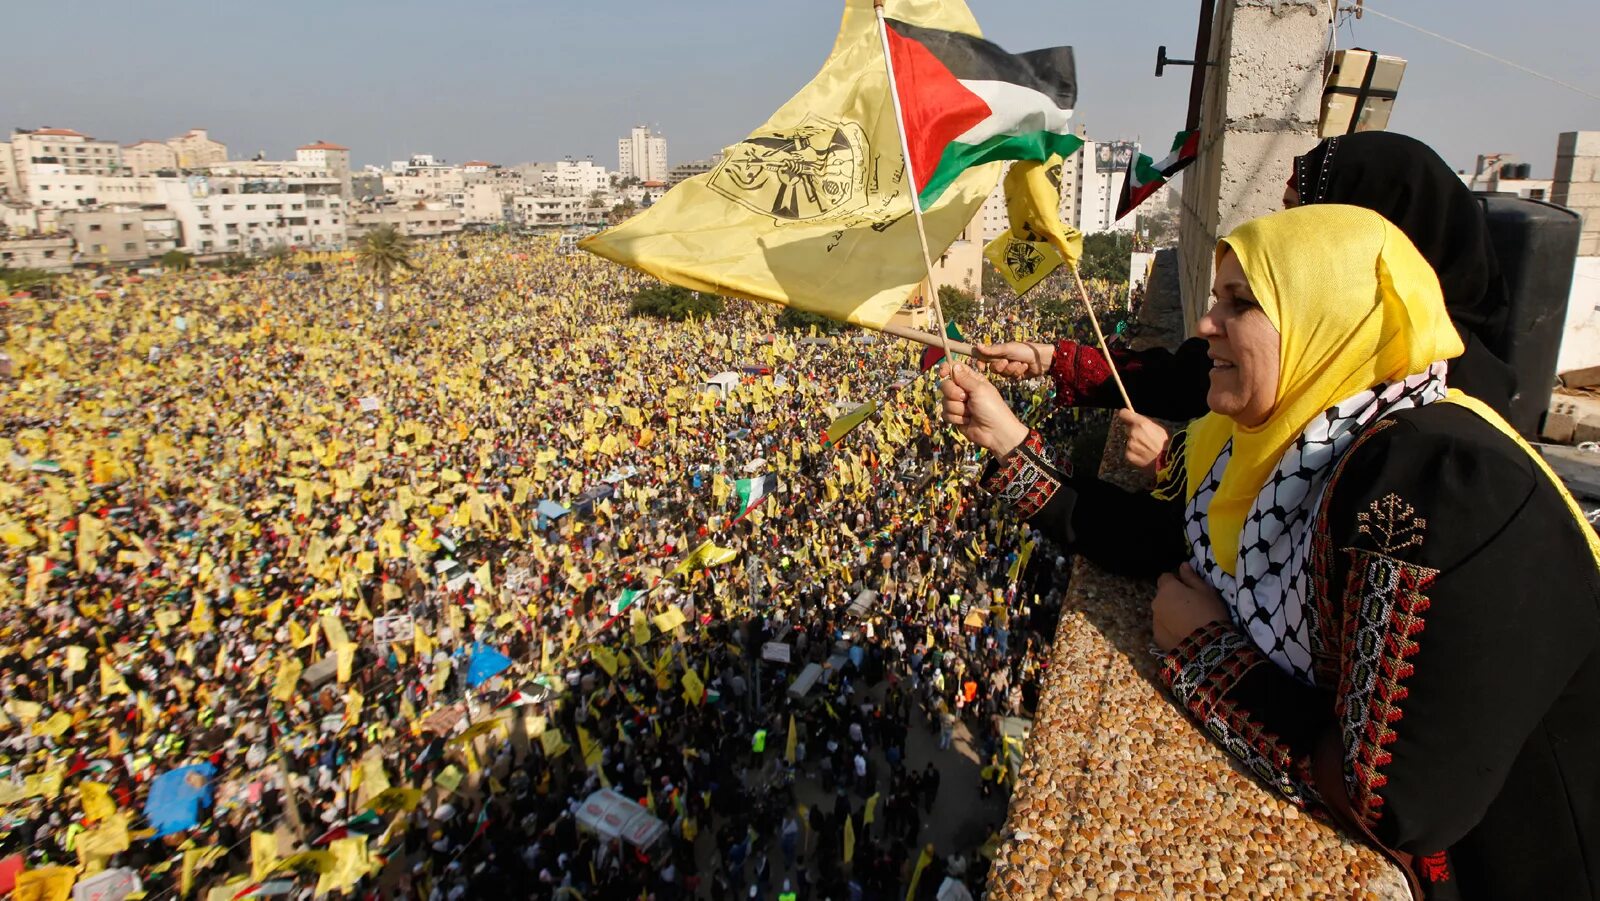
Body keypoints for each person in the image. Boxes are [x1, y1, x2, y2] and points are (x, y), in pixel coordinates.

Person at [940, 205, 1600, 899]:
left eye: (1241, 303)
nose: (1205, 325)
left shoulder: (1434, 487)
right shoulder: (1267, 444)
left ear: (1326, 321)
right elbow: (1151, 542)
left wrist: (1204, 648)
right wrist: (1007, 439)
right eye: (1215, 298)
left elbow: (1390, 800)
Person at [978, 130, 1517, 432]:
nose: (1211, 324)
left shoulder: (1439, 421)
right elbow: (1182, 376)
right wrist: (1050, 359)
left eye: (1299, 214)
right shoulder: (1311, 340)